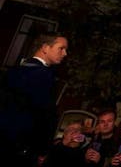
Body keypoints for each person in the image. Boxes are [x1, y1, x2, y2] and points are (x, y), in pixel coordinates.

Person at [0, 34, 69, 167]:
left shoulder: (14, 71)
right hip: (23, 149)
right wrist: (43, 150)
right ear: (45, 48)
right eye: (61, 48)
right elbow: (45, 117)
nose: (65, 53)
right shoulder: (44, 75)